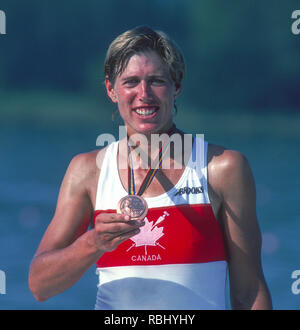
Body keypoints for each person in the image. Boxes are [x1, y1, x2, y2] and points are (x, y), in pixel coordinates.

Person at [28, 26, 272, 310]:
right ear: (111, 90)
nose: (144, 94)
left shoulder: (222, 168)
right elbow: (39, 285)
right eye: (130, 82)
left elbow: (249, 293)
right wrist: (93, 242)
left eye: (156, 80)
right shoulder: (87, 171)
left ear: (176, 85)